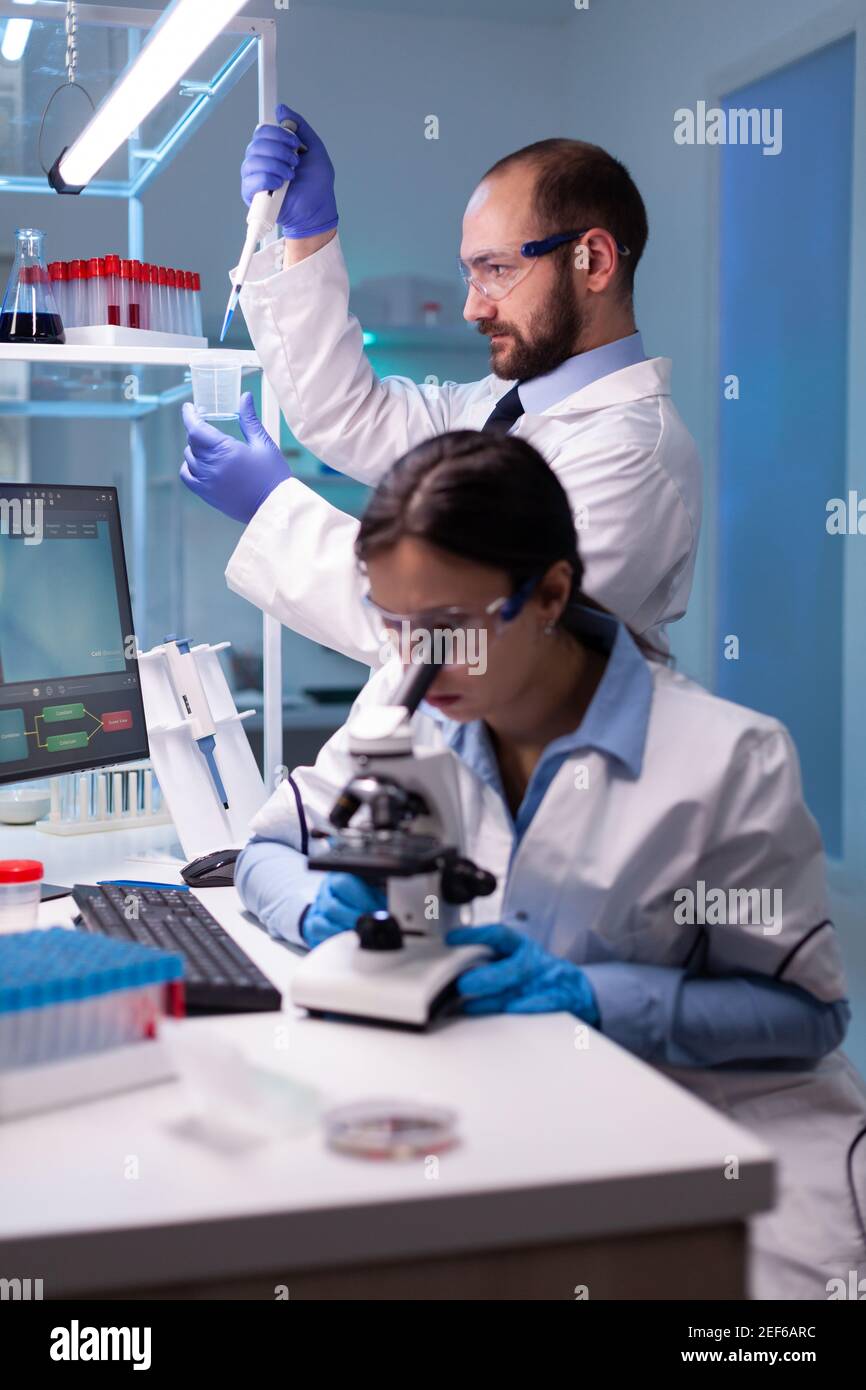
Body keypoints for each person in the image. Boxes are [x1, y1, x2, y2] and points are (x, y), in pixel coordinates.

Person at [234, 429, 865, 1301]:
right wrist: (315, 911)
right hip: (510, 1117)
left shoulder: (725, 765)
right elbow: (267, 849)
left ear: (550, 593)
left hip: (726, 1146)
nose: (417, 662)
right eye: (394, 623)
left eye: (448, 626)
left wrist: (595, 996)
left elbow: (803, 1013)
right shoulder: (407, 701)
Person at [181, 109, 701, 661]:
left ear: (591, 260)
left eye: (497, 269)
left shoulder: (636, 457)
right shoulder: (496, 409)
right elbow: (354, 415)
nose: (473, 307)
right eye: (469, 274)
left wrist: (274, 511)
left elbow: (480, 645)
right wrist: (307, 236)